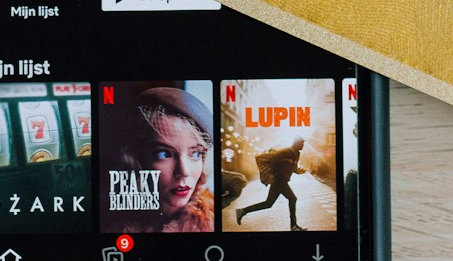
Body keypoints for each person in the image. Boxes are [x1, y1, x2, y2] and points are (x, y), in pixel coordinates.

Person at [104, 86, 214, 233]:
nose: (184, 172)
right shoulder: (108, 219)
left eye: (195, 154)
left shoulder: (211, 222)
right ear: (138, 158)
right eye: (164, 154)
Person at [235, 137, 306, 230]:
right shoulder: (284, 152)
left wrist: (298, 171)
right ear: (296, 143)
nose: (303, 145)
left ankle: (242, 211)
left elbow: (293, 167)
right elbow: (274, 162)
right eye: (302, 143)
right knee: (292, 199)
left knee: (268, 203)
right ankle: (293, 226)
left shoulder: (297, 154)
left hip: (283, 180)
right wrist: (273, 175)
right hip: (278, 180)